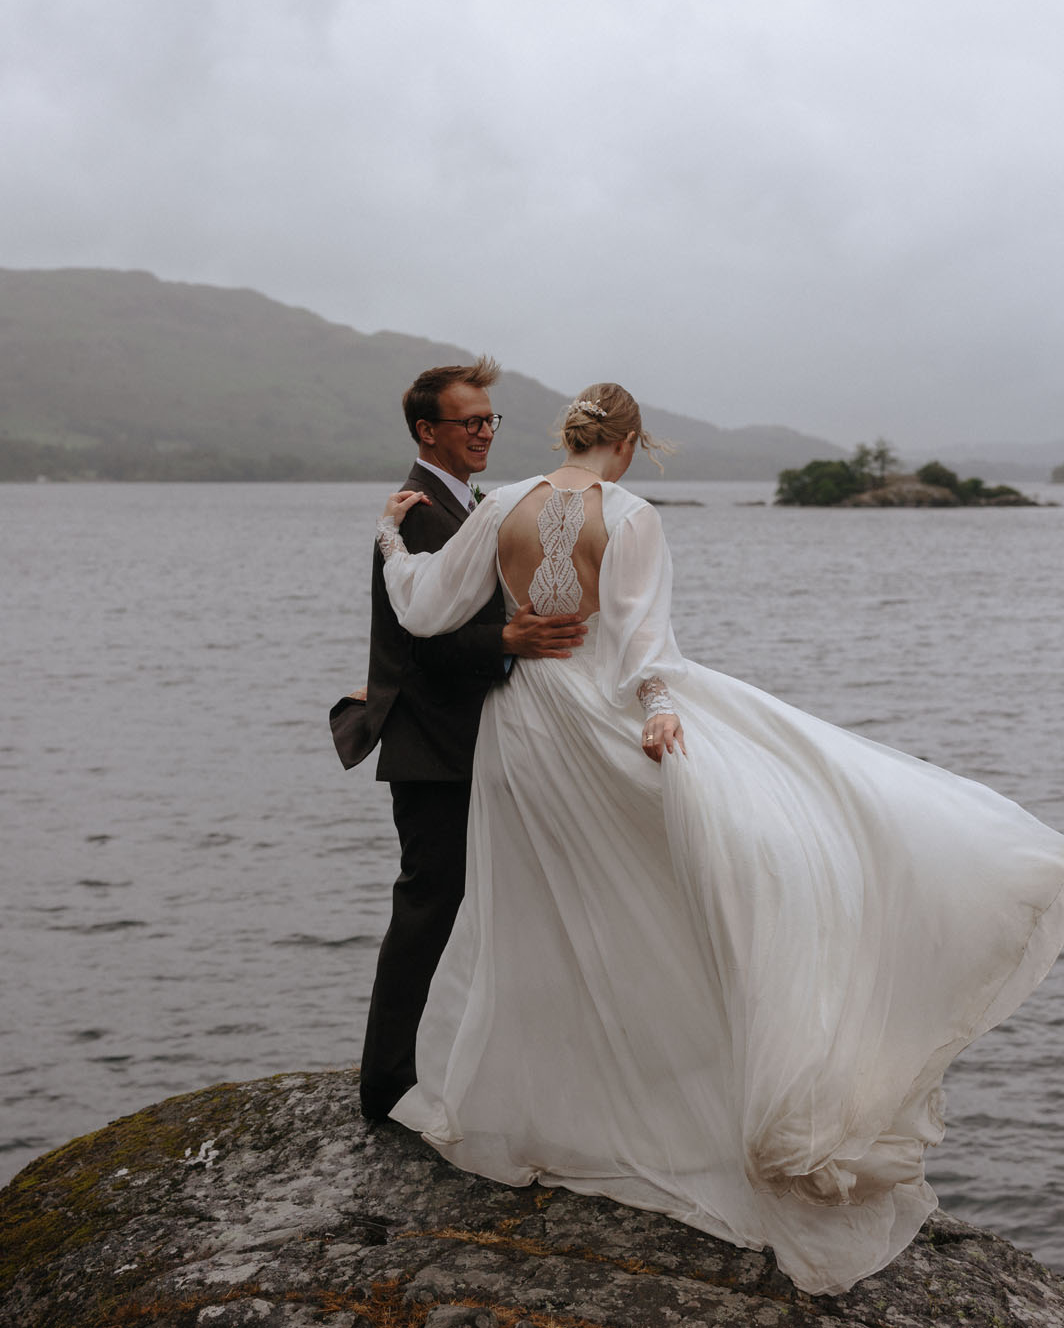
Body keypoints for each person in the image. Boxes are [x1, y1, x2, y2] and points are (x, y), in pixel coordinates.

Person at [369, 382, 1064, 1296]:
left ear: (567, 436)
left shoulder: (500, 504)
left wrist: (390, 541)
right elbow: (645, 643)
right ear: (631, 444)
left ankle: (552, 1109)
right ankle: (668, 1099)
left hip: (522, 728)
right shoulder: (631, 516)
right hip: (595, 712)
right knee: (694, 876)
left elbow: (423, 605)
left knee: (542, 908)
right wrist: (659, 712)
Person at [331, 357, 587, 1123]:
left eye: (489, 420)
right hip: (435, 748)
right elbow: (425, 644)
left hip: (464, 742)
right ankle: (387, 1085)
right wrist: (508, 637)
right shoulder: (416, 514)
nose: (483, 432)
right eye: (468, 421)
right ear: (426, 431)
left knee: (458, 908)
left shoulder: (457, 504)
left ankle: (438, 1066)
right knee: (428, 909)